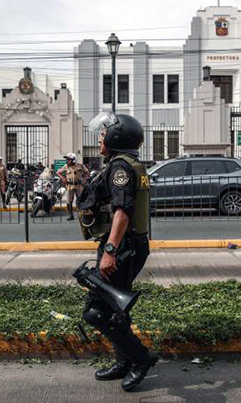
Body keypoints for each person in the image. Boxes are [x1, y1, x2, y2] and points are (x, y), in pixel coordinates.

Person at [77, 112, 157, 392]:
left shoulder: (121, 167)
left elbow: (123, 211)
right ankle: (125, 361)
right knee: (114, 308)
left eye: (103, 134)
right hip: (130, 245)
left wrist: (110, 250)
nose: (100, 137)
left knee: (96, 312)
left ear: (116, 137)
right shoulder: (128, 164)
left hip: (122, 247)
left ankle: (140, 358)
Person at [57, 152, 89, 220]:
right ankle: (71, 216)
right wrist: (63, 178)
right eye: (67, 159)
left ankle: (83, 215)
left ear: (73, 159)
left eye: (69, 159)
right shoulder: (66, 166)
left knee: (81, 200)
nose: (67, 160)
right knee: (69, 201)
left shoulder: (80, 165)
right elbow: (58, 172)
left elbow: (87, 172)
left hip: (79, 185)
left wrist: (84, 179)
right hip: (70, 185)